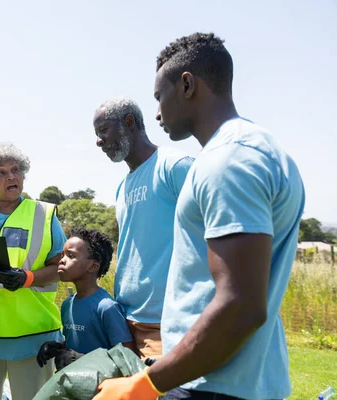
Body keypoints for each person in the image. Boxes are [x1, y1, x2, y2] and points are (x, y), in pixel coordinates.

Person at [95, 32, 305, 400]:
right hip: (225, 378)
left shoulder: (230, 160)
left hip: (215, 384)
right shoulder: (255, 149)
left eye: (160, 97)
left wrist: (144, 385)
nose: (157, 112)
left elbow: (240, 305)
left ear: (188, 85)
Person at [0, 142, 66, 400]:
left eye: (15, 170)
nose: (11, 177)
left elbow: (61, 267)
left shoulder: (45, 214)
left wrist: (27, 278)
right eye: (1, 172)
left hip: (32, 336)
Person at [93, 97, 193, 358]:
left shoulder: (174, 166)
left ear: (129, 122)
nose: (98, 141)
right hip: (123, 322)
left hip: (164, 324)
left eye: (103, 130)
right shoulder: (122, 187)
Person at [36, 227, 134, 371]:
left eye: (71, 255)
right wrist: (58, 347)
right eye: (62, 255)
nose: (62, 260)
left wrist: (81, 358)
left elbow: (126, 357)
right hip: (73, 385)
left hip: (100, 389)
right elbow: (79, 343)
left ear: (93, 266)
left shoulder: (106, 307)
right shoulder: (67, 304)